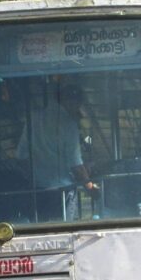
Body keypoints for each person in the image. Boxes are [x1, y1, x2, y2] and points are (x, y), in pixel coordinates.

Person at [16, 82, 96, 219]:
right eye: (78, 104)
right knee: (65, 232)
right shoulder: (68, 124)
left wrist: (34, 176)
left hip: (38, 191)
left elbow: (20, 156)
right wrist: (90, 187)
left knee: (40, 232)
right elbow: (75, 164)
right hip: (63, 192)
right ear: (71, 102)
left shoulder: (33, 119)